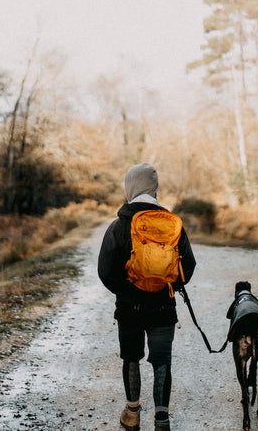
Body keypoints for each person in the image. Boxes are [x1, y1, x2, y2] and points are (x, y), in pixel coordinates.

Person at [97, 163, 196, 431]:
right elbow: (188, 266)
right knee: (161, 361)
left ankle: (132, 414)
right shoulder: (172, 226)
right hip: (163, 307)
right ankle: (162, 419)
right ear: (154, 188)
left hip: (129, 308)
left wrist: (127, 291)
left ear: (130, 188)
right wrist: (167, 286)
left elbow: (104, 271)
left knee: (131, 358)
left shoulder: (119, 227)